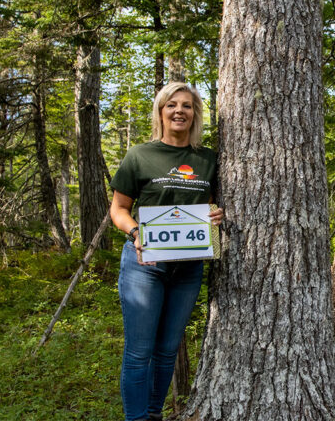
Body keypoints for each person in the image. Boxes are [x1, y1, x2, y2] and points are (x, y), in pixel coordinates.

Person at [109, 82, 223, 421]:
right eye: (172, 105)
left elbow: (213, 206)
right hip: (145, 265)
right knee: (139, 352)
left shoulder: (209, 160)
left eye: (187, 106)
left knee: (166, 351)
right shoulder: (140, 155)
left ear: (195, 114)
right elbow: (118, 209)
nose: (179, 111)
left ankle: (154, 415)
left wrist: (216, 213)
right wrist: (135, 232)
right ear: (161, 112)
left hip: (187, 269)